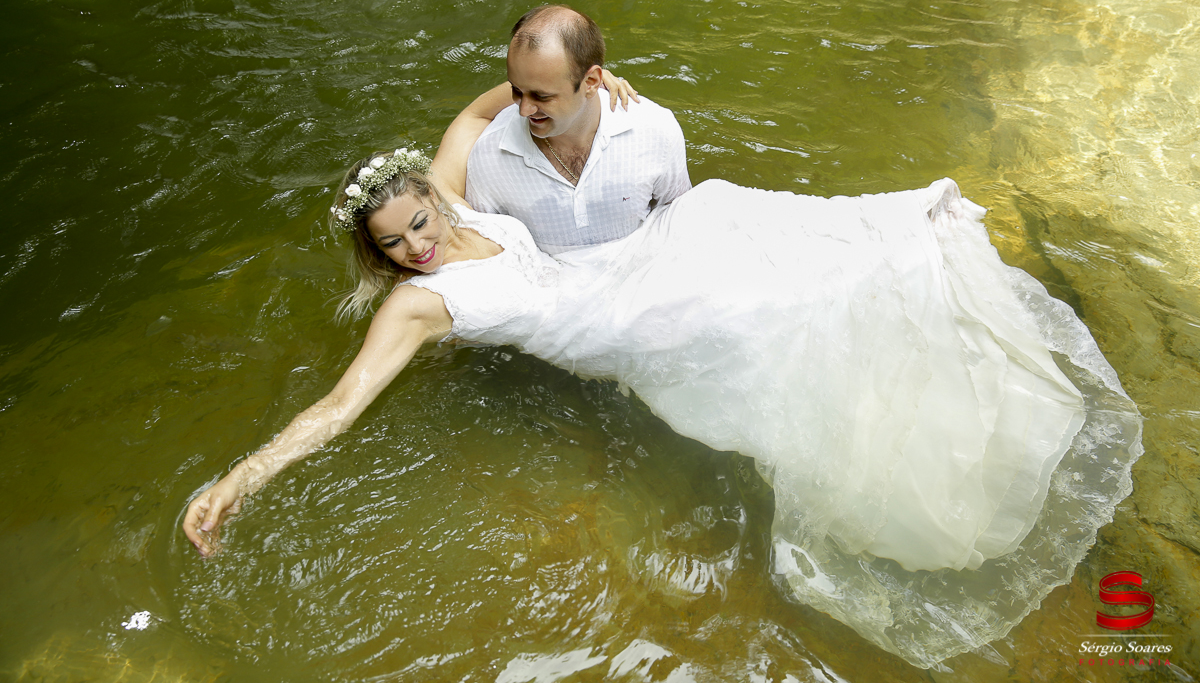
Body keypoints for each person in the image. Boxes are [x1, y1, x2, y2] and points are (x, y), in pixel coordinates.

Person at [183, 149, 1141, 668]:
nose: (417, 248)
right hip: (608, 329)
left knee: (715, 209)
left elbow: (483, 105)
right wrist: (241, 478)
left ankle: (895, 269)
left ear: (432, 196)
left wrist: (609, 86)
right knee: (757, 310)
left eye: (419, 223)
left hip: (615, 268)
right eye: (394, 246)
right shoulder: (417, 306)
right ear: (380, 256)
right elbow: (340, 405)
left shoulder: (455, 193)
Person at [429, 5, 691, 255]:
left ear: (592, 81)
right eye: (516, 91)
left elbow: (679, 219)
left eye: (542, 96)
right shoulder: (489, 156)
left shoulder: (655, 130)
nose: (524, 110)